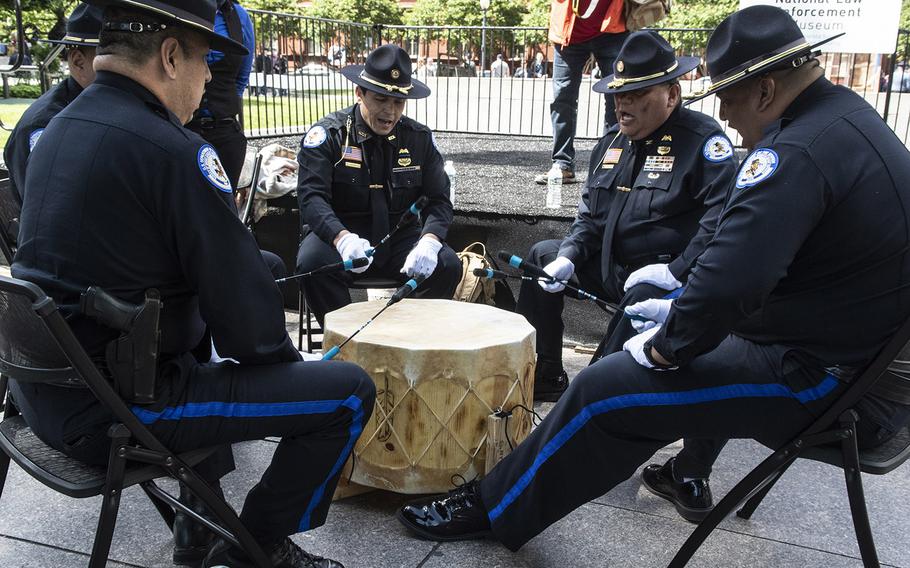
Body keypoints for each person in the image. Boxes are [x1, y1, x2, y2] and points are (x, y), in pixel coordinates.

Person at [396, 5, 910, 553]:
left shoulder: (796, 150)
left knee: (604, 389)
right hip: (843, 354)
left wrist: (667, 346)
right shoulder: (844, 121)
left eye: (730, 99)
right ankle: (556, 445)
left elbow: (734, 274)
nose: (729, 118)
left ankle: (493, 505)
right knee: (620, 391)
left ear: (764, 91)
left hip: (834, 381)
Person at [12, 2, 375, 567]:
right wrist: (290, 377)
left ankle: (208, 530)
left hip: (44, 398)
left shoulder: (56, 126)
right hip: (117, 413)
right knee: (346, 393)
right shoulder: (173, 151)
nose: (210, 80)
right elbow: (250, 330)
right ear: (171, 55)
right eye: (208, 61)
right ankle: (256, 551)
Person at [517, 31, 736, 401]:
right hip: (610, 265)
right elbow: (590, 217)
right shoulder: (611, 143)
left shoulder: (702, 142)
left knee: (643, 293)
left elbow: (722, 221)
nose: (623, 104)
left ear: (671, 94)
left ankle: (600, 395)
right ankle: (545, 372)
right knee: (542, 255)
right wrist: (569, 255)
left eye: (636, 94)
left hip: (664, 278)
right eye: (618, 94)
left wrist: (676, 271)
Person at [295, 44, 461, 325]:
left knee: (447, 265)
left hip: (400, 236)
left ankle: (410, 338)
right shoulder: (330, 135)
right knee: (312, 264)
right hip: (342, 233)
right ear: (359, 93)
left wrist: (430, 241)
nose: (390, 112)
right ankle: (346, 343)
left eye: (398, 102)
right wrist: (342, 238)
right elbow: (312, 197)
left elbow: (439, 200)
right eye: (381, 99)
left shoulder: (417, 138)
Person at [3, 4, 101, 203]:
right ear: (78, 62)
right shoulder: (47, 125)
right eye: (111, 59)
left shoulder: (94, 107)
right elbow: (52, 209)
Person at [534, 0, 629, 185]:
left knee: (617, 99)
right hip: (568, 33)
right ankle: (562, 164)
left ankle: (611, 165)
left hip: (612, 29)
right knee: (562, 99)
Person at [186, 0, 254, 192]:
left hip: (224, 128)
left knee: (224, 202)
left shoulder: (238, 15)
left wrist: (222, 102)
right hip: (183, 128)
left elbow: (242, 76)